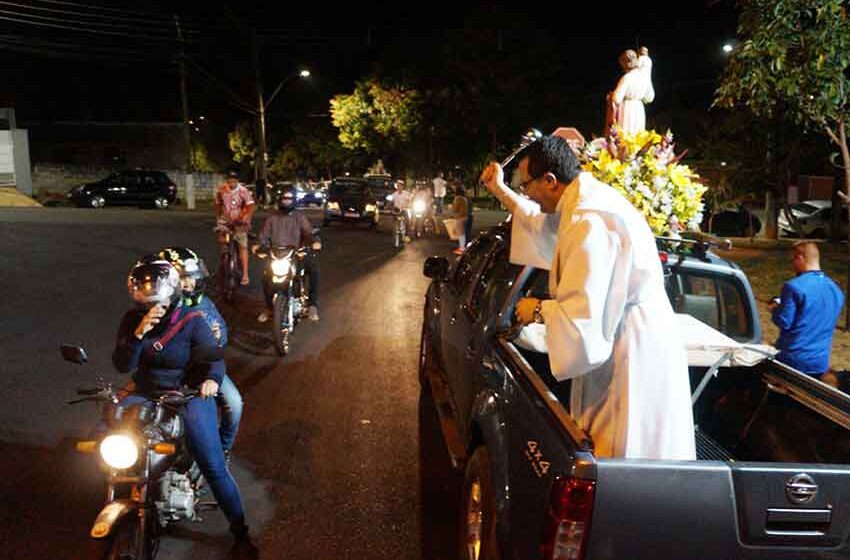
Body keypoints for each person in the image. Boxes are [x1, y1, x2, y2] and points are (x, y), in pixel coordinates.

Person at [479, 134, 695, 460]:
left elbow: (583, 320)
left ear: (550, 180)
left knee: (624, 456)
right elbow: (542, 226)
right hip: (624, 336)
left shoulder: (589, 221)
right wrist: (500, 190)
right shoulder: (583, 204)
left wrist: (537, 309)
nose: (527, 193)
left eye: (526, 185)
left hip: (630, 351)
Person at [112, 257, 253, 547]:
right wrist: (139, 334)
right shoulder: (131, 321)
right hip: (146, 392)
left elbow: (213, 360)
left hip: (186, 394)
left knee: (212, 464)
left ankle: (240, 530)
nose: (153, 310)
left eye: (158, 304)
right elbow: (122, 365)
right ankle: (127, 490)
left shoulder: (192, 320)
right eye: (146, 303)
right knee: (108, 430)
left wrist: (211, 381)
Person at [157, 247, 243, 462]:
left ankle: (222, 449)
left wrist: (215, 335)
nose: (189, 284)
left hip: (203, 369)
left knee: (234, 403)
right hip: (166, 371)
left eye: (191, 279)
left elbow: (221, 335)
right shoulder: (156, 308)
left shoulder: (204, 303)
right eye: (182, 279)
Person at [769, 241, 844, 377]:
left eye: (793, 259)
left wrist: (774, 308)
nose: (793, 263)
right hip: (820, 361)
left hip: (793, 358)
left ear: (800, 258)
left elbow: (784, 322)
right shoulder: (835, 289)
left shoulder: (793, 286)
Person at [254, 184, 320, 323]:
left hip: (296, 254)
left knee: (313, 270)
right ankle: (269, 308)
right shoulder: (272, 218)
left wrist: (313, 242)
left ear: (294, 200)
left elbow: (308, 232)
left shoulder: (299, 217)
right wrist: (258, 246)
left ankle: (312, 305)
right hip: (276, 255)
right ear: (280, 200)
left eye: (289, 198)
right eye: (284, 198)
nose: (287, 201)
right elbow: (264, 236)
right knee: (266, 278)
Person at [215, 171, 255, 286]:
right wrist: (218, 218)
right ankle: (224, 261)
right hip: (225, 220)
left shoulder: (243, 191)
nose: (232, 184)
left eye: (234, 181)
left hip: (240, 221)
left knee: (242, 246)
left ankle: (245, 274)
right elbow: (217, 204)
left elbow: (250, 206)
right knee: (222, 241)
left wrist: (245, 219)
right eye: (229, 181)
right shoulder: (221, 190)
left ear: (237, 181)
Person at [605, 48, 654, 136]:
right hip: (639, 108)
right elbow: (649, 98)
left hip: (627, 108)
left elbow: (617, 98)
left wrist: (610, 96)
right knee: (638, 134)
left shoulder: (627, 77)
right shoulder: (643, 78)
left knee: (626, 134)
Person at [451, 186, 470, 254]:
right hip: (465, 216)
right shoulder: (464, 198)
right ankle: (461, 247)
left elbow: (456, 208)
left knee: (460, 233)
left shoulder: (458, 198)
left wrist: (452, 206)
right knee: (462, 232)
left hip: (460, 217)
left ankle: (462, 248)